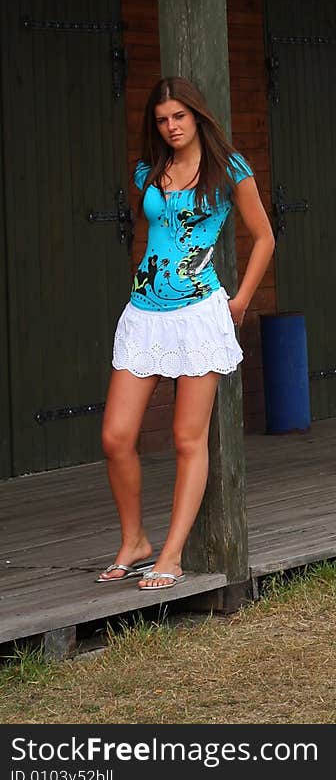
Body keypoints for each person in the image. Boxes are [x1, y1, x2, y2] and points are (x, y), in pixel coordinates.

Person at [98, 76, 275, 591]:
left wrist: (240, 300)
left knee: (185, 438)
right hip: (143, 313)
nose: (171, 126)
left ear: (196, 115)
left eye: (179, 116)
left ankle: (171, 554)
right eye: (161, 119)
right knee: (115, 436)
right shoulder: (149, 171)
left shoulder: (228, 169)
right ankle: (135, 541)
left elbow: (263, 237)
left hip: (199, 315)